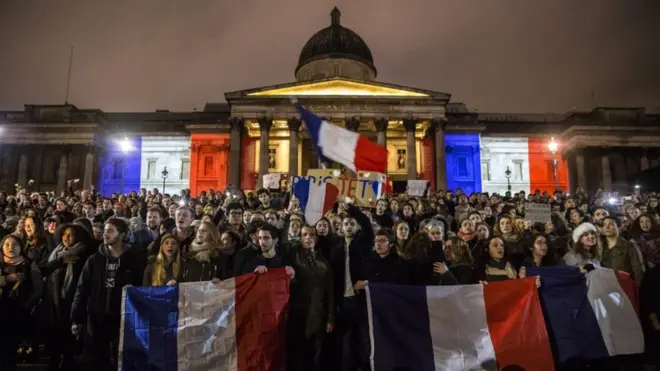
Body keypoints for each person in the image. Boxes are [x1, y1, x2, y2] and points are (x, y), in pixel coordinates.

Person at [70, 218, 146, 371]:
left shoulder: (135, 257)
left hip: (124, 317)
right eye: (105, 231)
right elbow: (82, 289)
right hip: (98, 316)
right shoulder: (94, 259)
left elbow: (144, 286)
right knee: (97, 358)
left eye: (110, 231)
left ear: (122, 234)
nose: (105, 234)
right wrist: (76, 318)